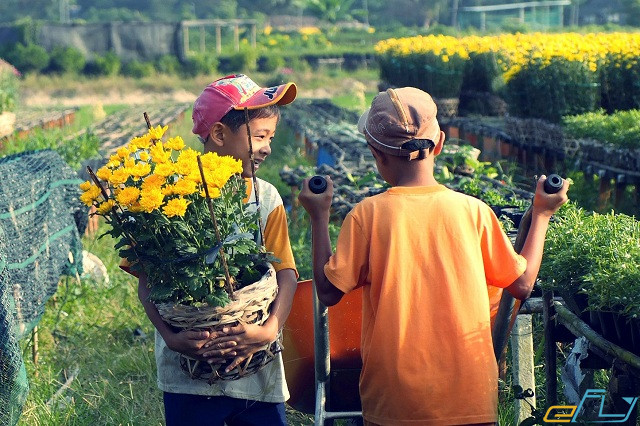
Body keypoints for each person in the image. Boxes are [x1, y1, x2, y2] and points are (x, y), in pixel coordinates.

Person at [298, 87, 569, 426]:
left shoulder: (368, 216)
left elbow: (328, 292)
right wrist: (541, 214)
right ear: (439, 143)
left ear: (376, 154)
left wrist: (318, 216)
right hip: (469, 392)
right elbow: (522, 284)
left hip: (393, 398)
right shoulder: (474, 212)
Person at [132, 74, 299, 426]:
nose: (268, 147)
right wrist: (171, 337)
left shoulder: (266, 197)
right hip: (189, 374)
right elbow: (146, 279)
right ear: (220, 134)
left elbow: (285, 272)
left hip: (257, 368)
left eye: (272, 137)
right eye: (259, 136)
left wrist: (269, 329)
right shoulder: (167, 195)